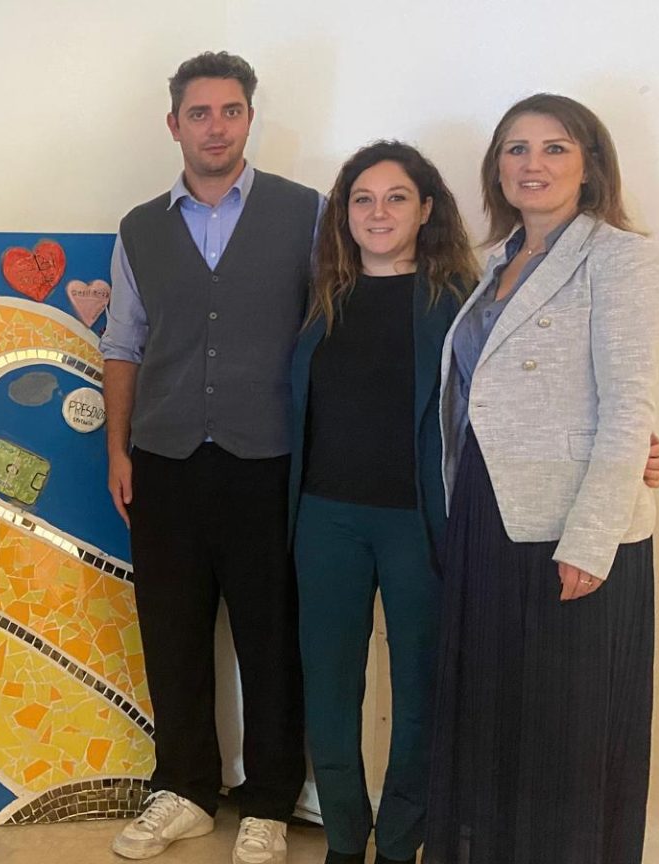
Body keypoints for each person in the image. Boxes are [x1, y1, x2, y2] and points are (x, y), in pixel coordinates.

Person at [423, 94, 659, 864]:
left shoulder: (619, 258)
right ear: (497, 168)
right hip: (486, 515)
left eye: (555, 148)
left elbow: (628, 405)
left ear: (590, 165)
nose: (533, 164)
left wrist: (592, 541)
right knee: (497, 721)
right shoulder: (498, 262)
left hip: (568, 530)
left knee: (563, 735)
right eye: (516, 149)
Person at [101, 51, 321, 864]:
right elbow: (123, 343)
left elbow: (331, 331)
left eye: (231, 111)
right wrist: (117, 447)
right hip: (163, 461)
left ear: (250, 119)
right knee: (172, 634)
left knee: (272, 638)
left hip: (269, 461)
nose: (216, 127)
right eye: (200, 113)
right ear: (175, 126)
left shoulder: (307, 213)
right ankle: (185, 790)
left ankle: (269, 800)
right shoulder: (139, 227)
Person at [288, 141, 477, 864]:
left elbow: (514, 400)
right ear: (344, 214)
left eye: (396, 197)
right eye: (362, 199)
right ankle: (344, 840)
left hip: (419, 525)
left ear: (426, 209)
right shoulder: (320, 299)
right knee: (329, 693)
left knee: (420, 694)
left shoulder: (459, 305)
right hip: (324, 520)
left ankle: (399, 844)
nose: (378, 213)